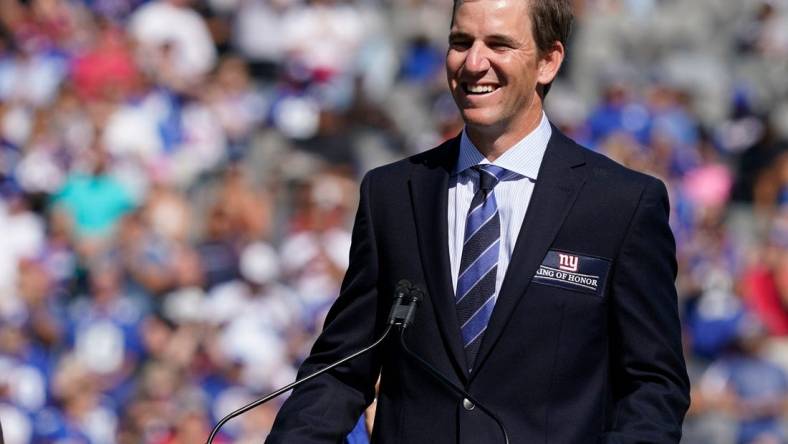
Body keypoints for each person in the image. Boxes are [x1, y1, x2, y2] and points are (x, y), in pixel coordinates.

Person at [266, 0, 691, 442]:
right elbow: (340, 370)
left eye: (499, 45)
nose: (473, 63)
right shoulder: (390, 194)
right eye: (460, 42)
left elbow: (653, 387)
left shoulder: (620, 203)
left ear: (548, 61)